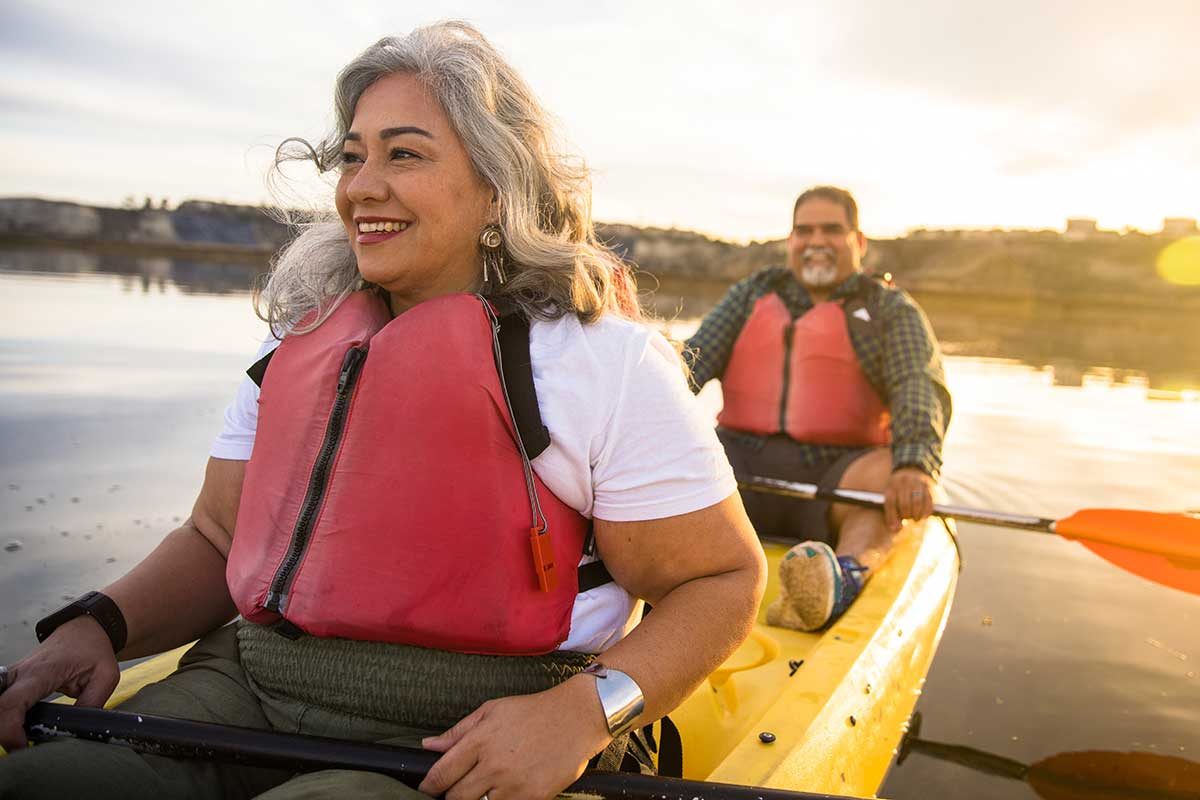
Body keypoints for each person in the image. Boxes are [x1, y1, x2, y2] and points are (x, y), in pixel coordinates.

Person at [0, 23, 766, 800]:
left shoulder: (600, 363)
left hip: (475, 731)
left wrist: (583, 714)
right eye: (353, 155)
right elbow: (216, 536)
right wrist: (99, 624)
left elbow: (721, 580)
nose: (361, 186)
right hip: (248, 692)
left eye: (404, 154)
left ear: (498, 185)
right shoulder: (299, 344)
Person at [685, 186, 950, 632]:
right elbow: (690, 364)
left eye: (832, 229)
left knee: (886, 478)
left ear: (858, 242)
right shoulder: (752, 294)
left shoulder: (889, 310)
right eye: (803, 231)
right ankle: (659, 573)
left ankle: (842, 576)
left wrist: (915, 464)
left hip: (838, 475)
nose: (816, 241)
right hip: (738, 467)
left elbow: (916, 385)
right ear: (790, 241)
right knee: (672, 452)